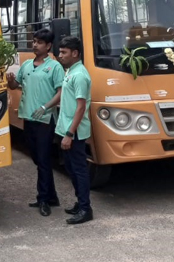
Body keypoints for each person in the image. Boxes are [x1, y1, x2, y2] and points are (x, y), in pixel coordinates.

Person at [6, 28, 64, 217]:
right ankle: (52, 196)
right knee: (38, 159)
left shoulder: (54, 67)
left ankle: (44, 199)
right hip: (28, 118)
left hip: (44, 120)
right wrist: (11, 81)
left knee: (44, 160)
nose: (35, 45)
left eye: (39, 42)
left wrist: (46, 107)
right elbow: (16, 86)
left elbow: (60, 92)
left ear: (48, 46)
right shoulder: (27, 65)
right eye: (34, 41)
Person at [55, 36, 93, 224]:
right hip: (67, 129)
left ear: (75, 53)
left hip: (74, 131)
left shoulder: (79, 75)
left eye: (64, 52)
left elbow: (81, 107)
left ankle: (86, 209)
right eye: (60, 52)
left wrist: (69, 134)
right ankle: (80, 202)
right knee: (70, 168)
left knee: (79, 170)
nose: (60, 55)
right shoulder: (71, 71)